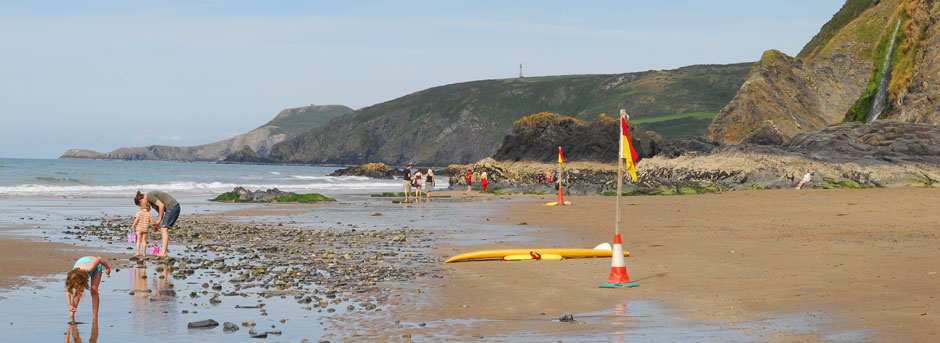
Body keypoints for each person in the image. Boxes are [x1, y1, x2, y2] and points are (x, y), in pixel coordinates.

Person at [134, 190, 180, 257]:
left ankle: (163, 253)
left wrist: (158, 221)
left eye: (141, 205)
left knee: (164, 229)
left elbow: (161, 205)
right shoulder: (151, 203)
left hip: (173, 207)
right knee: (163, 229)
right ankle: (164, 252)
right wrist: (157, 225)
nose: (143, 205)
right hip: (172, 208)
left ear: (141, 201)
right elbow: (160, 213)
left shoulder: (149, 196)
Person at [66, 256, 111, 322]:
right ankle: (71, 314)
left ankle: (95, 316)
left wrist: (107, 268)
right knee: (78, 292)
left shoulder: (90, 268)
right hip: (82, 268)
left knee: (94, 290)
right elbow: (68, 292)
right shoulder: (71, 277)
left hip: (96, 266)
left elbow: (99, 259)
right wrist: (69, 305)